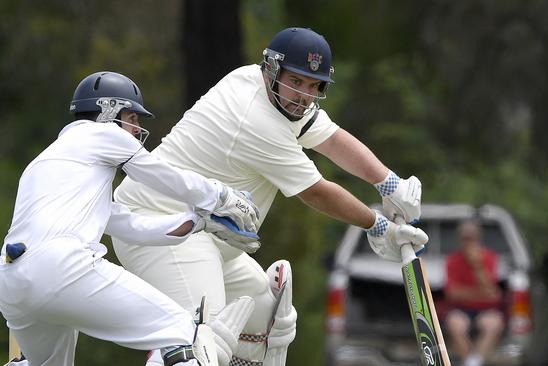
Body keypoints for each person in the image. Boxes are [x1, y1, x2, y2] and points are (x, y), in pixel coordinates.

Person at [111, 27, 428, 365]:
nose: (303, 95)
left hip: (207, 236)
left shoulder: (263, 86)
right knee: (200, 342)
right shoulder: (255, 119)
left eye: (313, 85)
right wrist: (378, 227)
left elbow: (332, 139)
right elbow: (316, 192)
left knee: (263, 315)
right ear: (272, 70)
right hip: (163, 228)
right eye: (296, 81)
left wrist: (389, 183)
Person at [0, 71, 263, 366]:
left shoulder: (51, 164)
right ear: (108, 110)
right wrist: (220, 197)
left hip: (12, 283)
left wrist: (199, 221)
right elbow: (160, 174)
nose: (137, 129)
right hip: (64, 266)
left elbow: (131, 226)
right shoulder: (102, 133)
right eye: (133, 118)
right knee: (184, 334)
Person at [444, 219, 505, 366]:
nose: (469, 242)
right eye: (465, 238)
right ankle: (469, 360)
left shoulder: (490, 257)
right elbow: (453, 294)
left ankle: (475, 361)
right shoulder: (452, 260)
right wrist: (481, 293)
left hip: (487, 309)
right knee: (455, 324)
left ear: (478, 238)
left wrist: (477, 265)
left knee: (494, 324)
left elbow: (492, 291)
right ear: (460, 239)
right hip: (461, 308)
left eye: (472, 238)